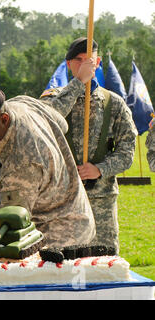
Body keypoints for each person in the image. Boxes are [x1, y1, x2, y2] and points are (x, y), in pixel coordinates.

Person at [0, 86, 95, 248]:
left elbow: (8, 226)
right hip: (65, 210)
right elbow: (61, 123)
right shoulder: (20, 104)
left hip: (60, 232)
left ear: (4, 119)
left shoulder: (21, 163)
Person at [39, 38, 137, 253]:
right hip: (62, 201)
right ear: (68, 64)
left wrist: (100, 169)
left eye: (89, 61)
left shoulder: (113, 103)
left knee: (104, 261)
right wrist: (78, 84)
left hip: (101, 200)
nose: (85, 65)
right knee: (62, 262)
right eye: (78, 60)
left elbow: (127, 151)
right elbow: (47, 121)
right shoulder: (52, 98)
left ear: (98, 62)